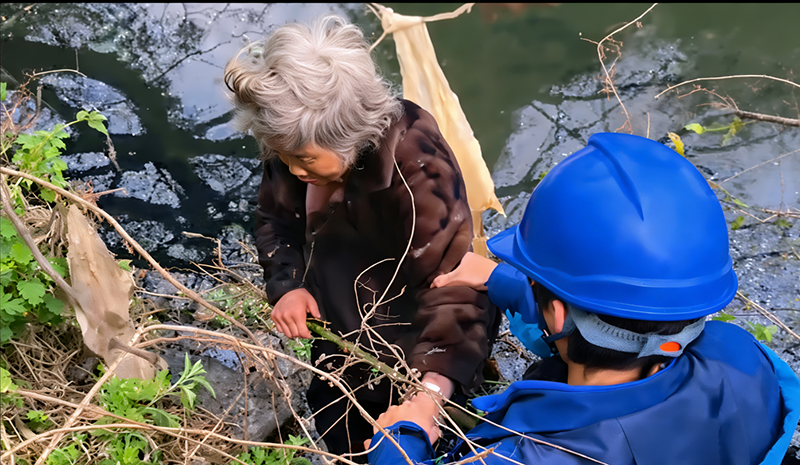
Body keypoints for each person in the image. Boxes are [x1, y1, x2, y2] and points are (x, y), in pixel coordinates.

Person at [366, 133, 800, 464]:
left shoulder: (532, 455)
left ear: (555, 313)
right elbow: (632, 331)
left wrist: (399, 444)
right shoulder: (743, 358)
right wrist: (510, 283)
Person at [223, 15, 499, 459]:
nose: (293, 170)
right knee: (345, 438)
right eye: (281, 154)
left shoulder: (415, 168)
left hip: (417, 348)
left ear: (346, 135)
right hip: (338, 340)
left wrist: (428, 397)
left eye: (303, 159)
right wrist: (287, 285)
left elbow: (454, 286)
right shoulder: (294, 139)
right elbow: (275, 221)